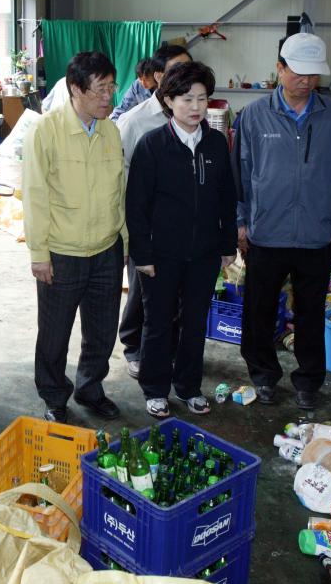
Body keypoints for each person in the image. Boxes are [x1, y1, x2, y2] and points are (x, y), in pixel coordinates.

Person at [232, 33, 331, 411]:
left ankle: (308, 381)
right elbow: (240, 173)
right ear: (280, 68)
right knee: (260, 310)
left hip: (316, 233)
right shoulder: (253, 115)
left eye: (314, 74)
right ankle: (263, 375)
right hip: (266, 232)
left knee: (311, 312)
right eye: (299, 72)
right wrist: (240, 222)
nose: (307, 80)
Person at [126, 61, 237, 419]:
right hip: (160, 253)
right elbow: (136, 204)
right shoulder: (152, 145)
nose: (195, 107)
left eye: (202, 99)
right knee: (158, 322)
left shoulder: (217, 144)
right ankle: (155, 388)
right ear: (169, 101)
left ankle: (189, 386)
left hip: (204, 253)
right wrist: (141, 252)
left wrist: (226, 244)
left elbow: (226, 197)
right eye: (187, 99)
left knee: (194, 321)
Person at [22, 51, 127, 424]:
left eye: (112, 88)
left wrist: (125, 244)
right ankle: (54, 395)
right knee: (54, 333)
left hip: (106, 249)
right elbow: (34, 194)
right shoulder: (46, 130)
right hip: (62, 251)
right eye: (100, 89)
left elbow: (120, 190)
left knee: (102, 330)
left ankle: (90, 388)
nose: (108, 98)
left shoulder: (111, 131)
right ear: (75, 89)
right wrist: (39, 253)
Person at [116, 44, 194, 378]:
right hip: (146, 225)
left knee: (177, 294)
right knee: (141, 292)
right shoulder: (134, 122)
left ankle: (169, 349)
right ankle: (134, 346)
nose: (185, 78)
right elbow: (120, 179)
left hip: (183, 225)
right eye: (177, 70)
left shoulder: (196, 118)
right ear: (159, 77)